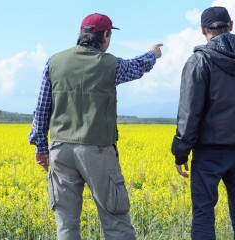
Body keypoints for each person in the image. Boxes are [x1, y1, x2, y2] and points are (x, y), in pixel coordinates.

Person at [29, 13, 162, 240]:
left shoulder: (54, 62)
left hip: (60, 149)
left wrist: (41, 148)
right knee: (115, 220)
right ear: (105, 36)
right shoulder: (109, 64)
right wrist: (153, 54)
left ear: (81, 34)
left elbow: (41, 109)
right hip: (96, 151)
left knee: (66, 224)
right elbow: (137, 67)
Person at [171, 6, 235, 240]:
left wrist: (180, 153)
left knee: (204, 215)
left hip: (209, 152)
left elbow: (189, 113)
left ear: (203, 30)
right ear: (231, 25)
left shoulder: (199, 61)